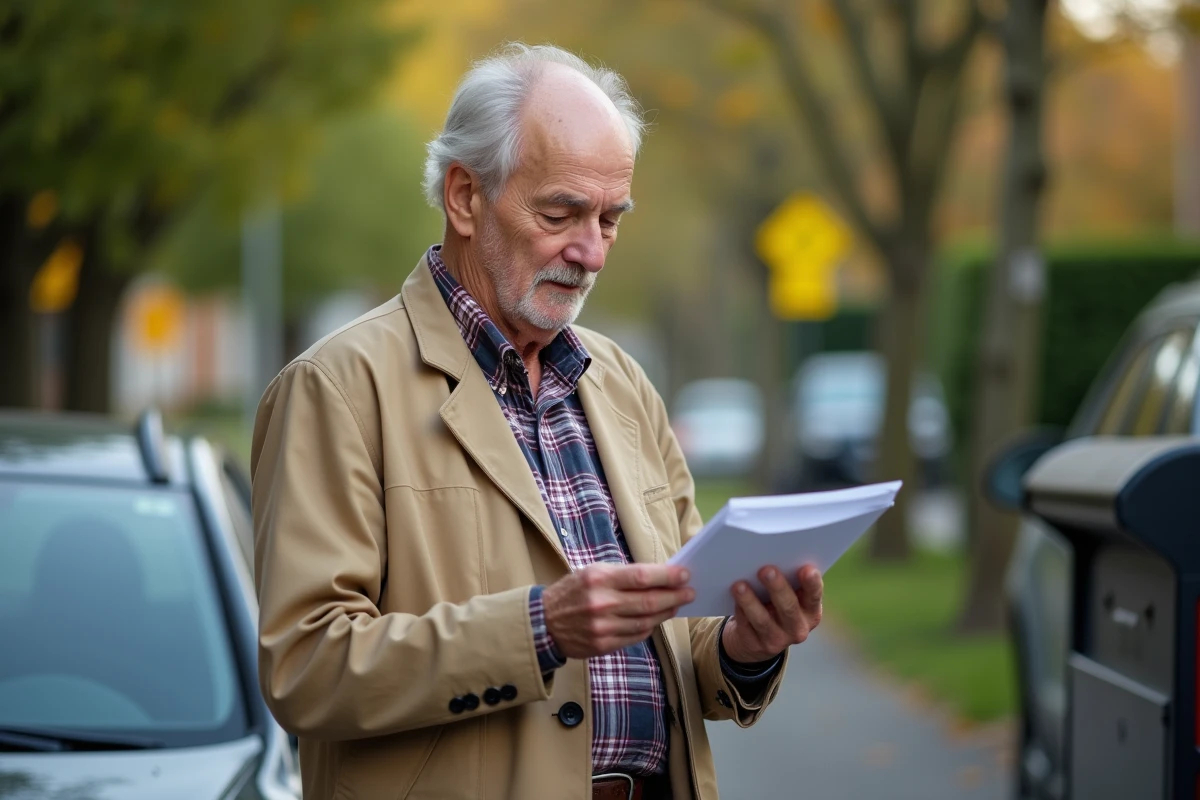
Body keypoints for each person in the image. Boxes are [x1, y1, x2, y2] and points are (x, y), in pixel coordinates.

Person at [251, 43, 824, 800]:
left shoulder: (623, 385)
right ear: (464, 196)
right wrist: (539, 628)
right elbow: (306, 668)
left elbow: (686, 637)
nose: (590, 252)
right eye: (561, 213)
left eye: (610, 220)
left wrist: (746, 647)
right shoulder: (337, 389)